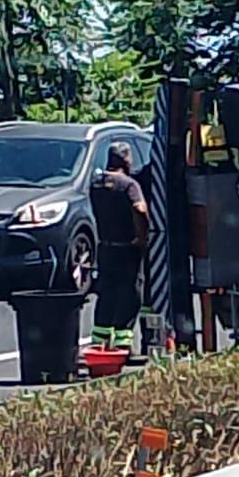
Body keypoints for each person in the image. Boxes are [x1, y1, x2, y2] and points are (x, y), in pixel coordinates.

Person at [90, 142, 150, 353]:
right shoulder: (129, 185)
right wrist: (143, 236)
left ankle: (99, 343)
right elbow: (139, 209)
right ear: (126, 160)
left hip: (105, 247)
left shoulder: (96, 183)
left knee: (106, 294)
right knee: (130, 294)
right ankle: (123, 345)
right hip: (127, 248)